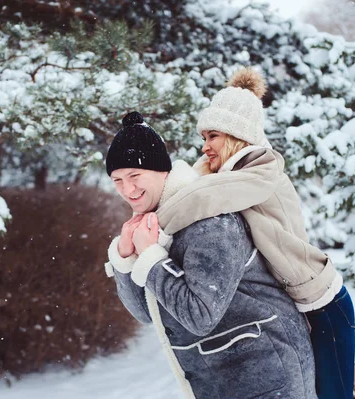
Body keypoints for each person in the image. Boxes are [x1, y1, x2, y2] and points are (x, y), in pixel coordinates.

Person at [154, 67, 355, 399]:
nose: (204, 147)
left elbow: (201, 196)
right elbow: (201, 187)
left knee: (335, 396)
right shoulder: (238, 173)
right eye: (203, 138)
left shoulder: (261, 171)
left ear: (236, 135)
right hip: (303, 306)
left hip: (327, 308)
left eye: (212, 137)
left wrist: (155, 230)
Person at [104, 111, 318, 399]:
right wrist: (126, 258)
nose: (127, 189)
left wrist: (152, 258)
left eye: (134, 175)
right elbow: (146, 312)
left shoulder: (209, 220)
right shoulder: (160, 223)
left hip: (270, 376)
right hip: (223, 383)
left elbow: (200, 315)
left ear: (161, 171)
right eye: (117, 180)